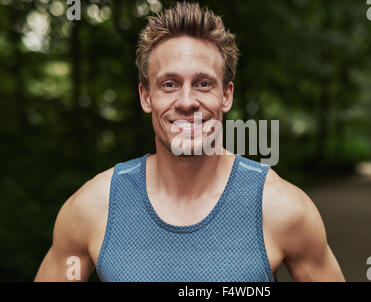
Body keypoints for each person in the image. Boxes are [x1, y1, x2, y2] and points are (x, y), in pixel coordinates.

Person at [34, 2, 345, 282]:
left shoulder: (282, 208)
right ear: (146, 96)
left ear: (226, 95)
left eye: (203, 84)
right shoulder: (93, 207)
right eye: (169, 84)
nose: (186, 101)